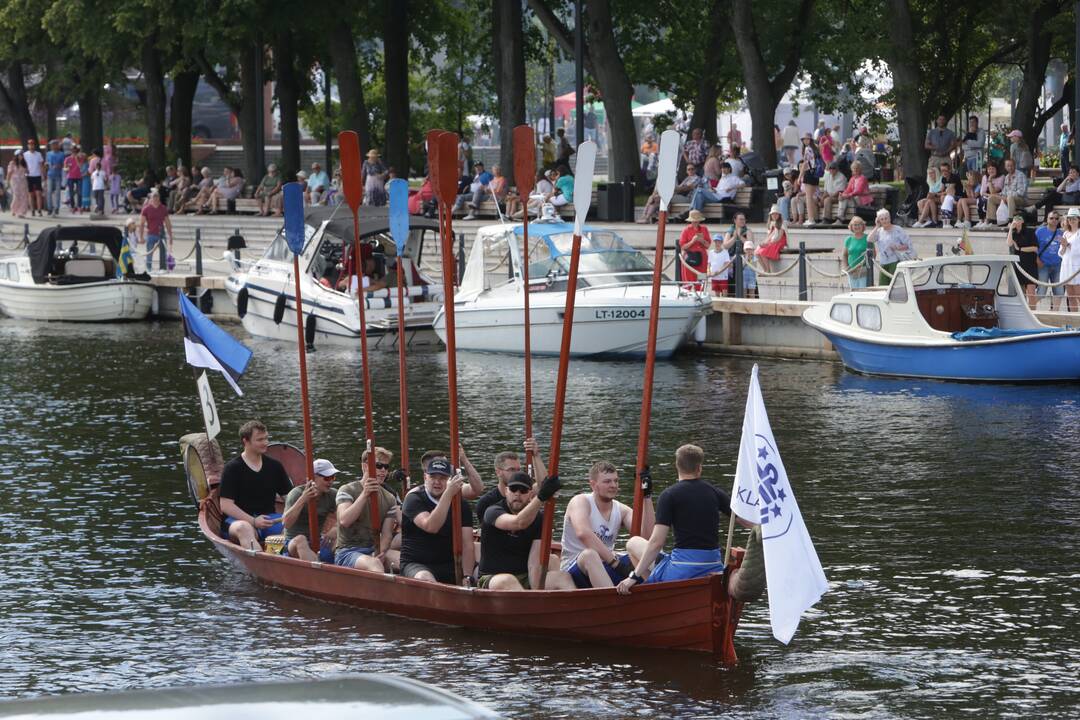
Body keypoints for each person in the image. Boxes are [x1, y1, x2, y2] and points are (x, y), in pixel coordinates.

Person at [616, 444, 732, 593]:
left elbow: (656, 542)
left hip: (682, 568)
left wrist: (633, 576)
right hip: (713, 564)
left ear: (677, 466)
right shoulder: (715, 492)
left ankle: (651, 592)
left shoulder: (669, 495)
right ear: (699, 468)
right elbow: (744, 520)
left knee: (633, 543)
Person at [559, 461, 654, 588]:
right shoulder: (580, 502)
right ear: (593, 485)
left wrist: (646, 496)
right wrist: (615, 563)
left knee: (639, 550)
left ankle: (657, 588)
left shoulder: (621, 510)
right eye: (607, 481)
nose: (613, 485)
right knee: (590, 555)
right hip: (576, 568)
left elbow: (647, 537)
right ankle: (612, 602)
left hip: (606, 566)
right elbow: (583, 534)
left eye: (616, 481)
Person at [478, 471, 569, 590]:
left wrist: (537, 592)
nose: (517, 494)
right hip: (492, 578)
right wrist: (541, 497)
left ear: (530, 494)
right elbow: (518, 523)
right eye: (513, 489)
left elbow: (534, 562)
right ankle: (532, 608)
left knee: (562, 577)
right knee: (507, 580)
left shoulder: (539, 519)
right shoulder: (492, 511)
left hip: (524, 576)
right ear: (506, 491)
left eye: (523, 490)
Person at [399, 456, 475, 584]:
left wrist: (467, 576)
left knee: (480, 572)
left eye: (442, 478)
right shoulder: (414, 499)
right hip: (417, 564)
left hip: (449, 564)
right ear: (425, 478)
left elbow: (467, 544)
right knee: (424, 578)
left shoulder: (461, 505)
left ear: (449, 480)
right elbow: (431, 526)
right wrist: (448, 494)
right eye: (433, 477)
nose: (437, 482)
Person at [218, 421, 292, 551]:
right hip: (238, 521)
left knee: (292, 527)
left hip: (270, 519)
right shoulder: (232, 468)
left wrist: (305, 498)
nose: (265, 443)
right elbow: (225, 505)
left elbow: (290, 498)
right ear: (245, 441)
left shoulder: (275, 467)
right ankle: (260, 562)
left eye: (266, 438)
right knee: (244, 528)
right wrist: (253, 521)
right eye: (260, 439)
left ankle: (273, 557)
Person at [335, 446, 401, 572]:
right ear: (365, 466)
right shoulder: (347, 490)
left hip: (373, 550)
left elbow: (387, 534)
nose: (383, 471)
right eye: (379, 466)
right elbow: (345, 520)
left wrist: (380, 552)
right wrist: (365, 494)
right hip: (347, 551)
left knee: (404, 561)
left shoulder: (390, 498)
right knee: (374, 564)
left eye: (386, 467)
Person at [474, 440, 547, 522]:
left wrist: (536, 455)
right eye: (512, 470)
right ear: (498, 472)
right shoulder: (486, 503)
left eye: (518, 470)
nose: (517, 473)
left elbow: (545, 487)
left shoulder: (528, 493)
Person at [281, 458, 339, 562]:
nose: (330, 481)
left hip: (318, 541)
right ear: (314, 477)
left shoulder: (332, 494)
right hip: (292, 542)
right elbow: (286, 523)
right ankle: (317, 571)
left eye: (333, 477)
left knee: (341, 539)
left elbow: (343, 519)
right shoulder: (296, 493)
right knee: (301, 539)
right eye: (326, 478)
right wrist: (303, 498)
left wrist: (335, 529)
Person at [867, 209, 914, 285]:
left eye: (886, 218)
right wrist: (877, 226)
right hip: (883, 262)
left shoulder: (898, 229)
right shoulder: (879, 231)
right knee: (883, 286)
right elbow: (869, 239)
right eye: (882, 219)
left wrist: (897, 247)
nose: (885, 221)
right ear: (879, 220)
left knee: (895, 285)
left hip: (896, 261)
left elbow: (908, 245)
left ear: (889, 218)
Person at [1005, 215, 1039, 310]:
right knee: (1021, 294)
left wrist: (1020, 249)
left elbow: (1035, 248)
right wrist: (1011, 228)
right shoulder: (1013, 233)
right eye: (1015, 219)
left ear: (1023, 221)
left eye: (1019, 219)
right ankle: (1024, 313)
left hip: (1030, 265)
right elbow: (1008, 243)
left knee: (1031, 293)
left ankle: (1034, 314)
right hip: (1018, 266)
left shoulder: (1030, 232)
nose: (1016, 221)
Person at [1035, 211, 1065, 311]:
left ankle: (1055, 312)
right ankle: (1031, 309)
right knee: (1041, 291)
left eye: (1056, 218)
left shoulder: (1062, 233)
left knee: (1059, 291)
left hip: (1058, 265)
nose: (1054, 220)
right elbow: (1034, 247)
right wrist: (1037, 260)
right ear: (1047, 219)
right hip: (1043, 265)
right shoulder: (1040, 231)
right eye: (1051, 218)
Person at [987, 158, 1028, 227]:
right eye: (1008, 166)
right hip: (1008, 198)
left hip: (1021, 199)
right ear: (1005, 167)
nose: (1010, 167)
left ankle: (1011, 221)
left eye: (1011, 165)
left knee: (1010, 198)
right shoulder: (1006, 177)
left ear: (1015, 166)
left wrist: (1006, 197)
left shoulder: (1020, 175)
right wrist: (998, 195)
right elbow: (1004, 192)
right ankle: (993, 221)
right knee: (991, 198)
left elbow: (1021, 192)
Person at [139, 189, 173, 272]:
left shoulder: (163, 208)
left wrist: (170, 235)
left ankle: (163, 268)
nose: (155, 198)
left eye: (157, 197)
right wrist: (141, 237)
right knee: (149, 253)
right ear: (151, 198)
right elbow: (142, 223)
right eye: (154, 197)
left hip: (161, 234)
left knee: (163, 253)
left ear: (159, 198)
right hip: (150, 233)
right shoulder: (146, 209)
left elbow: (167, 222)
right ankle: (149, 269)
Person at [679, 210, 711, 289]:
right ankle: (689, 293)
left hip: (702, 259)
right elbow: (682, 247)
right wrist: (692, 241)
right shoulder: (686, 230)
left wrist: (702, 240)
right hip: (690, 258)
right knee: (689, 279)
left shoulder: (704, 229)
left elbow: (708, 245)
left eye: (697, 221)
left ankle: (701, 292)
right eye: (693, 221)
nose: (695, 223)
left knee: (701, 278)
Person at [835, 160, 873, 225]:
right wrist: (842, 195)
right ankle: (840, 219)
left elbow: (858, 191)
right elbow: (848, 189)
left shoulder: (862, 178)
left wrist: (847, 196)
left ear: (860, 169)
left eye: (856, 168)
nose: (855, 170)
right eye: (853, 169)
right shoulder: (852, 178)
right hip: (855, 200)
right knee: (843, 198)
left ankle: (840, 219)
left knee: (847, 198)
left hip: (862, 201)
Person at [1058, 207, 1080, 311]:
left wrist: (1068, 245)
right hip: (1066, 266)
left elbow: (1077, 251)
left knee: (1078, 295)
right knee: (1070, 297)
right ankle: (1075, 320)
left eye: (1074, 218)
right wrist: (1063, 246)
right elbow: (1061, 253)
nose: (1071, 220)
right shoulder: (1065, 233)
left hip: (1077, 268)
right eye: (1070, 218)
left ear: (1078, 219)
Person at [841, 216, 871, 289]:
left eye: (859, 224)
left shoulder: (868, 238)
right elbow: (844, 255)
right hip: (851, 271)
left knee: (862, 292)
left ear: (863, 226)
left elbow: (873, 255)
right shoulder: (848, 239)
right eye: (855, 225)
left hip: (864, 271)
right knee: (853, 292)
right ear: (851, 226)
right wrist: (846, 268)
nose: (857, 226)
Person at [755, 205, 787, 273]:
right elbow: (769, 236)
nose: (774, 215)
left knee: (763, 252)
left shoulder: (782, 224)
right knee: (757, 252)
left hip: (778, 242)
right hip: (771, 241)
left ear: (779, 215)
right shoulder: (771, 224)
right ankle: (765, 269)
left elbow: (779, 237)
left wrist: (769, 243)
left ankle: (768, 271)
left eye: (776, 214)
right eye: (773, 214)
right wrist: (764, 242)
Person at [973, 162, 1004, 229]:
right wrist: (988, 194)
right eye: (989, 169)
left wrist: (990, 179)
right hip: (988, 195)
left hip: (997, 197)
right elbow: (982, 192)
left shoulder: (1001, 177)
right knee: (980, 199)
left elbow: (993, 191)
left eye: (993, 168)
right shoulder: (984, 177)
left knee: (987, 199)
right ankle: (981, 221)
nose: (991, 170)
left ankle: (987, 221)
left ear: (997, 169)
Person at [23, 138, 44, 216]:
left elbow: (41, 165)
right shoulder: (25, 154)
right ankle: (32, 210)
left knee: (38, 193)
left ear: (34, 145)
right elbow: (23, 165)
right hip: (29, 176)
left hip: (37, 175)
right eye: (30, 144)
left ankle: (39, 209)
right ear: (28, 146)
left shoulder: (38, 154)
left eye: (32, 144)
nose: (31, 146)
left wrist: (43, 175)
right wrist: (25, 171)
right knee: (30, 194)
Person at [45, 140, 64, 217]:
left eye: (54, 145)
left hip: (58, 175)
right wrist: (46, 165)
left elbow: (63, 164)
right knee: (49, 192)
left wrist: (59, 166)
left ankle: (56, 208)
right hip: (50, 174)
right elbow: (47, 163)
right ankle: (49, 208)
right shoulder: (48, 153)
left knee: (58, 192)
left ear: (57, 145)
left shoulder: (61, 154)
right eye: (51, 145)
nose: (53, 146)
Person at [7, 151, 28, 218]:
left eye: (22, 154)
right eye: (19, 154)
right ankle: (14, 209)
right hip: (15, 181)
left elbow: (27, 171)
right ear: (16, 155)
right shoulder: (12, 163)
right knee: (16, 196)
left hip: (23, 181)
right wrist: (7, 182)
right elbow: (9, 173)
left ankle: (21, 212)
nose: (21, 156)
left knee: (23, 196)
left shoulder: (24, 163)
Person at [63, 148, 82, 212]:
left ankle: (79, 206)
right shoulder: (67, 159)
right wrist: (67, 168)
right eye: (73, 152)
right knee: (71, 193)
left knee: (79, 192)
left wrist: (77, 159)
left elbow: (80, 166)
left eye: (76, 152)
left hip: (78, 177)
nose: (74, 153)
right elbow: (64, 169)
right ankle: (72, 206)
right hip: (70, 177)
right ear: (71, 152)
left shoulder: (80, 158)